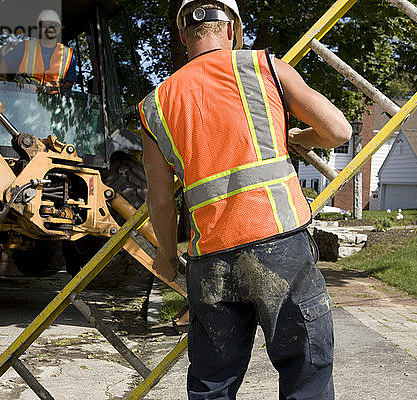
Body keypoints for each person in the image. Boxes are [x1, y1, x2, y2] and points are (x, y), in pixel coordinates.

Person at [138, 0, 351, 398]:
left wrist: (167, 257)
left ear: (183, 36)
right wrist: (299, 138)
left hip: (211, 258)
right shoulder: (264, 67)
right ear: (233, 27)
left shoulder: (155, 105)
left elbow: (161, 202)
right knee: (306, 374)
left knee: (213, 383)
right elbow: (338, 130)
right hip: (280, 242)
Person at [0, 9, 76, 89]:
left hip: (51, 100)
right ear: (39, 28)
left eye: (53, 24)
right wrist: (2, 77)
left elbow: (69, 83)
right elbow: (5, 61)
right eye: (45, 24)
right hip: (21, 96)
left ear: (59, 29)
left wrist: (56, 88)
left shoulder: (68, 54)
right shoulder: (25, 46)